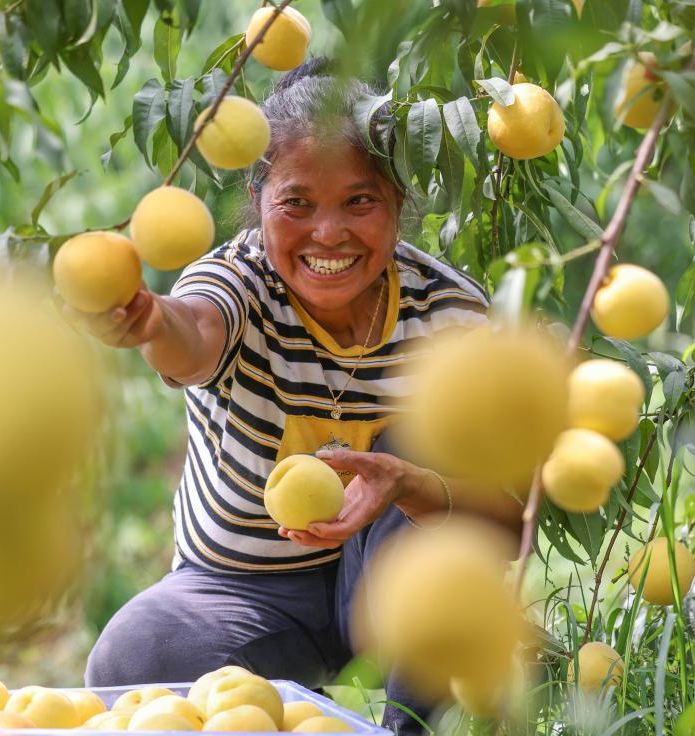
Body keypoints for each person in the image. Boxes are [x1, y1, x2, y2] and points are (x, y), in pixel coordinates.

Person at [73, 59, 523, 734]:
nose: (329, 234)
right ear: (259, 199)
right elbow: (192, 330)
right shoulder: (239, 282)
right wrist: (148, 320)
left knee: (425, 444)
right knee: (137, 657)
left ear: (399, 202)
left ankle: (408, 724)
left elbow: (510, 517)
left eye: (360, 201)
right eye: (298, 203)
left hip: (394, 588)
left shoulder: (449, 314)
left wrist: (408, 484)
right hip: (242, 593)